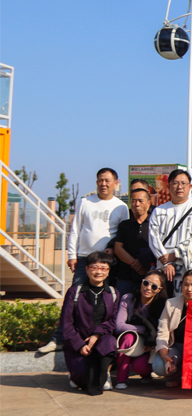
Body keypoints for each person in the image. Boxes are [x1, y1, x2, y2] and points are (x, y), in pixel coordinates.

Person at [41, 168, 130, 354]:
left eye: (107, 180)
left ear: (116, 183)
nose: (103, 184)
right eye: (100, 180)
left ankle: (104, 340)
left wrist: (112, 249)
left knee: (107, 303)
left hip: (108, 263)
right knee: (73, 299)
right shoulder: (85, 202)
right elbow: (75, 229)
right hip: (84, 260)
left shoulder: (121, 207)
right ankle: (59, 339)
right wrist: (71, 255)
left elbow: (123, 234)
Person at [61, 252, 120, 395]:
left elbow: (112, 321)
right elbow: (66, 323)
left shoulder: (113, 293)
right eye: (94, 267)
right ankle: (76, 374)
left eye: (103, 268)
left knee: (110, 342)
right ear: (87, 269)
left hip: (100, 340)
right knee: (82, 380)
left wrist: (96, 335)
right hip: (78, 342)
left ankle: (104, 374)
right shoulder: (75, 292)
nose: (99, 272)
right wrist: (79, 345)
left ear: (108, 271)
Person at [149, 169, 192, 297]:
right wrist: (166, 262)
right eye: (175, 183)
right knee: (164, 303)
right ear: (168, 186)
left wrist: (175, 254)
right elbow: (153, 238)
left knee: (190, 304)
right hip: (164, 268)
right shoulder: (159, 211)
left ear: (189, 187)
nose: (179, 187)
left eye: (183, 183)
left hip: (189, 268)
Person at [113, 269, 167, 388]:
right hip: (130, 339)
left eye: (154, 286)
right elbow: (119, 326)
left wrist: (151, 339)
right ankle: (121, 379)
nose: (148, 288)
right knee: (128, 337)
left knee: (141, 367)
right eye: (146, 283)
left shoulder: (163, 305)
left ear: (159, 289)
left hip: (149, 346)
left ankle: (146, 375)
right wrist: (146, 330)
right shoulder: (129, 298)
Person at [154, 269, 192, 387]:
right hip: (176, 346)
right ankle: (174, 376)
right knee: (159, 365)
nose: (189, 289)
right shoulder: (171, 304)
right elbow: (162, 332)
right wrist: (165, 356)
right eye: (185, 284)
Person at [113, 187, 156, 296]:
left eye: (140, 201)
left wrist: (144, 267)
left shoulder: (155, 224)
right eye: (133, 201)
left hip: (149, 278)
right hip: (125, 277)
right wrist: (135, 264)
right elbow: (118, 248)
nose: (137, 204)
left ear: (148, 203)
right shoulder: (124, 225)